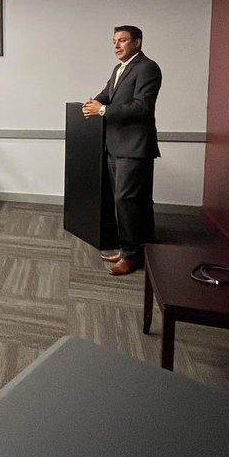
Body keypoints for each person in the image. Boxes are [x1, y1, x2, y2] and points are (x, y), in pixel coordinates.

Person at [81, 25, 162, 276]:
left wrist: (102, 110)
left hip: (134, 147)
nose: (116, 45)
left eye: (123, 40)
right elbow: (107, 94)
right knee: (130, 201)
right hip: (116, 146)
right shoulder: (119, 68)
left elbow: (141, 107)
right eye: (114, 41)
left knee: (127, 202)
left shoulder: (148, 68)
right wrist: (92, 103)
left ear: (137, 42)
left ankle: (132, 255)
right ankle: (135, 248)